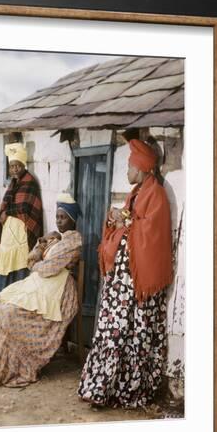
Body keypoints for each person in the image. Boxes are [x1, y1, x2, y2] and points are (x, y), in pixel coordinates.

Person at [78, 138, 173, 409]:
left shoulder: (156, 194)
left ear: (142, 168)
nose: (127, 171)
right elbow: (133, 222)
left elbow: (151, 232)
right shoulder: (137, 193)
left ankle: (127, 391)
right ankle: (102, 389)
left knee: (132, 334)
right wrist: (118, 218)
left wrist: (126, 221)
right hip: (123, 283)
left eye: (130, 165)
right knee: (113, 331)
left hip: (137, 283)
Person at [0, 194, 82, 388]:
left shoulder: (73, 242)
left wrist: (36, 264)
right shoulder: (57, 239)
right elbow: (32, 258)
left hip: (58, 288)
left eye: (63, 217)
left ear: (72, 219)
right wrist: (42, 242)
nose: (59, 221)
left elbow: (48, 268)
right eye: (57, 216)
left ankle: (15, 367)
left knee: (11, 314)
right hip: (41, 283)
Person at [0, 142, 43, 297]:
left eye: (17, 166)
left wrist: (8, 213)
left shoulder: (30, 183)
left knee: (19, 269)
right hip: (8, 236)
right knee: (4, 267)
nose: (14, 169)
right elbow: (6, 207)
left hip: (21, 235)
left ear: (23, 165)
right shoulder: (12, 184)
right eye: (12, 166)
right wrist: (4, 214)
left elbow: (27, 208)